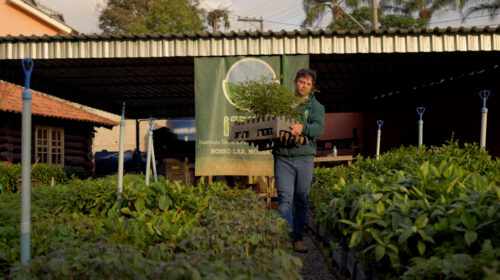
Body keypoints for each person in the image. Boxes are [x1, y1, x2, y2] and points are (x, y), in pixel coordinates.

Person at [273, 68, 325, 253]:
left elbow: (318, 129)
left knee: (301, 200)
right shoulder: (283, 104)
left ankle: (297, 239)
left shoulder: (316, 107)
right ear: (295, 82)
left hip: (304, 158)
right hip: (283, 158)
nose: (305, 86)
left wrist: (302, 128)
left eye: (308, 84)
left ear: (312, 87)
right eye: (302, 82)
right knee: (285, 199)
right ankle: (287, 239)